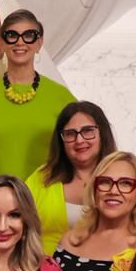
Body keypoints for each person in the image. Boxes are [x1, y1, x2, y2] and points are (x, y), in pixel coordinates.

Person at [0, 10, 77, 179]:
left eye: (29, 35)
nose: (20, 42)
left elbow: (79, 156)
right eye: (12, 36)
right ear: (2, 43)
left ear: (39, 43)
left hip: (47, 194)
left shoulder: (62, 98)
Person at [27, 102, 116, 254]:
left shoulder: (124, 175)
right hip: (43, 266)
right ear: (61, 140)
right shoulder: (42, 177)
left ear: (103, 133)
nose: (79, 140)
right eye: (70, 133)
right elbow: (16, 221)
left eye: (87, 131)